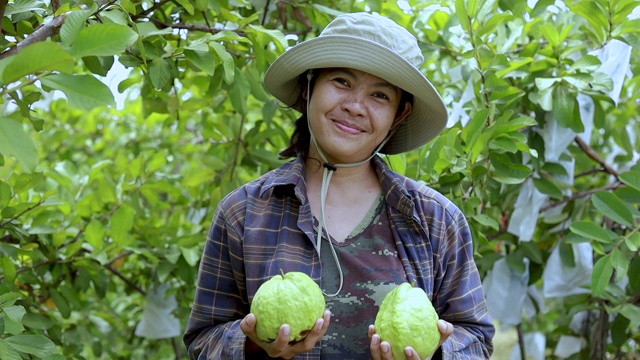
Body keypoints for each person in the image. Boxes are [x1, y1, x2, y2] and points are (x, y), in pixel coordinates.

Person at [183, 11, 494, 360]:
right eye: (342, 82)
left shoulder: (436, 220)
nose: (356, 106)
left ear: (400, 115)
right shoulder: (244, 212)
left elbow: (477, 339)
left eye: (380, 95)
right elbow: (202, 338)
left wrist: (436, 353)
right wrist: (256, 345)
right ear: (309, 85)